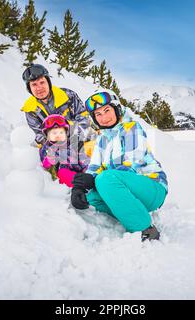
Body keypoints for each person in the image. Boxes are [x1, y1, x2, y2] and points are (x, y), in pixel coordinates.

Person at [70, 90, 168, 241]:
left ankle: (144, 228)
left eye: (107, 110)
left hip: (152, 188)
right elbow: (94, 167)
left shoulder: (132, 128)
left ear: (117, 109)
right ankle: (130, 212)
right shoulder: (102, 139)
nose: (104, 117)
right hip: (125, 189)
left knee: (105, 179)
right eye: (98, 114)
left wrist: (95, 181)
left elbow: (130, 165)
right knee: (91, 198)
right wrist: (79, 187)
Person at [21, 64, 95, 148]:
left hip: (80, 140)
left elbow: (84, 117)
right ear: (29, 88)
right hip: (55, 149)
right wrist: (52, 144)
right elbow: (38, 134)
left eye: (42, 82)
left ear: (48, 82)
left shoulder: (68, 95)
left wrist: (74, 137)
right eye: (34, 85)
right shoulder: (30, 109)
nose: (39, 88)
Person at [39, 114, 90, 187]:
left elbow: (82, 157)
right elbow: (45, 165)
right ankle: (79, 185)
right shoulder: (47, 148)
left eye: (61, 132)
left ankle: (89, 180)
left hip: (79, 170)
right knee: (63, 173)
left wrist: (86, 168)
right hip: (63, 175)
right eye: (54, 133)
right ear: (47, 135)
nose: (58, 135)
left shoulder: (73, 144)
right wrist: (50, 158)